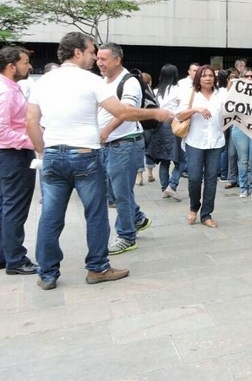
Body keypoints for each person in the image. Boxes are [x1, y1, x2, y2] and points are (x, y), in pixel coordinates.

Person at [26, 32, 172, 290]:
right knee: (95, 214)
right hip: (85, 156)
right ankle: (97, 268)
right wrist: (156, 112)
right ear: (78, 52)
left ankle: (47, 273)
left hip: (52, 155)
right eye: (92, 51)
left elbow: (31, 122)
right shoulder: (92, 81)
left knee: (50, 217)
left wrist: (42, 152)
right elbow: (123, 112)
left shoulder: (43, 81)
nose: (95, 57)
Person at [96, 43, 153, 255]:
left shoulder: (129, 82)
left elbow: (127, 111)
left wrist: (106, 131)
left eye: (104, 59)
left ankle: (127, 236)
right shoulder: (103, 81)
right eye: (98, 59)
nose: (99, 63)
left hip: (125, 143)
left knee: (121, 193)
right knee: (115, 192)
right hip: (108, 144)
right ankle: (137, 218)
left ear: (117, 60)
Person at [0, 46, 37, 274]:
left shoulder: (1, 85)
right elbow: (0, 130)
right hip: (13, 154)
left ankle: (3, 256)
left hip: (7, 154)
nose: (29, 66)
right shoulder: (3, 91)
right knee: (14, 207)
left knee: (5, 206)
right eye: (25, 62)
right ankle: (15, 259)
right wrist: (33, 141)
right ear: (11, 66)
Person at [174, 65, 227, 228]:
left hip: (216, 141)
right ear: (198, 78)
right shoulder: (191, 94)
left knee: (211, 179)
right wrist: (196, 109)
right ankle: (193, 207)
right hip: (195, 141)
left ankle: (206, 214)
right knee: (195, 177)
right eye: (204, 76)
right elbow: (179, 115)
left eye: (211, 75)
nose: (208, 78)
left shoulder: (221, 94)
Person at [147, 63, 183, 201]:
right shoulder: (177, 90)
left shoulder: (156, 91)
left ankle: (164, 188)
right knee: (182, 159)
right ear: (175, 75)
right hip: (173, 126)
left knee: (164, 160)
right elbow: (181, 109)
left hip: (159, 127)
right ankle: (172, 185)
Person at [232, 69, 252, 198]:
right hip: (239, 128)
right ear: (241, 77)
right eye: (246, 76)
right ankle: (243, 187)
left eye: (251, 76)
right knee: (243, 160)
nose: (249, 78)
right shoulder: (235, 92)